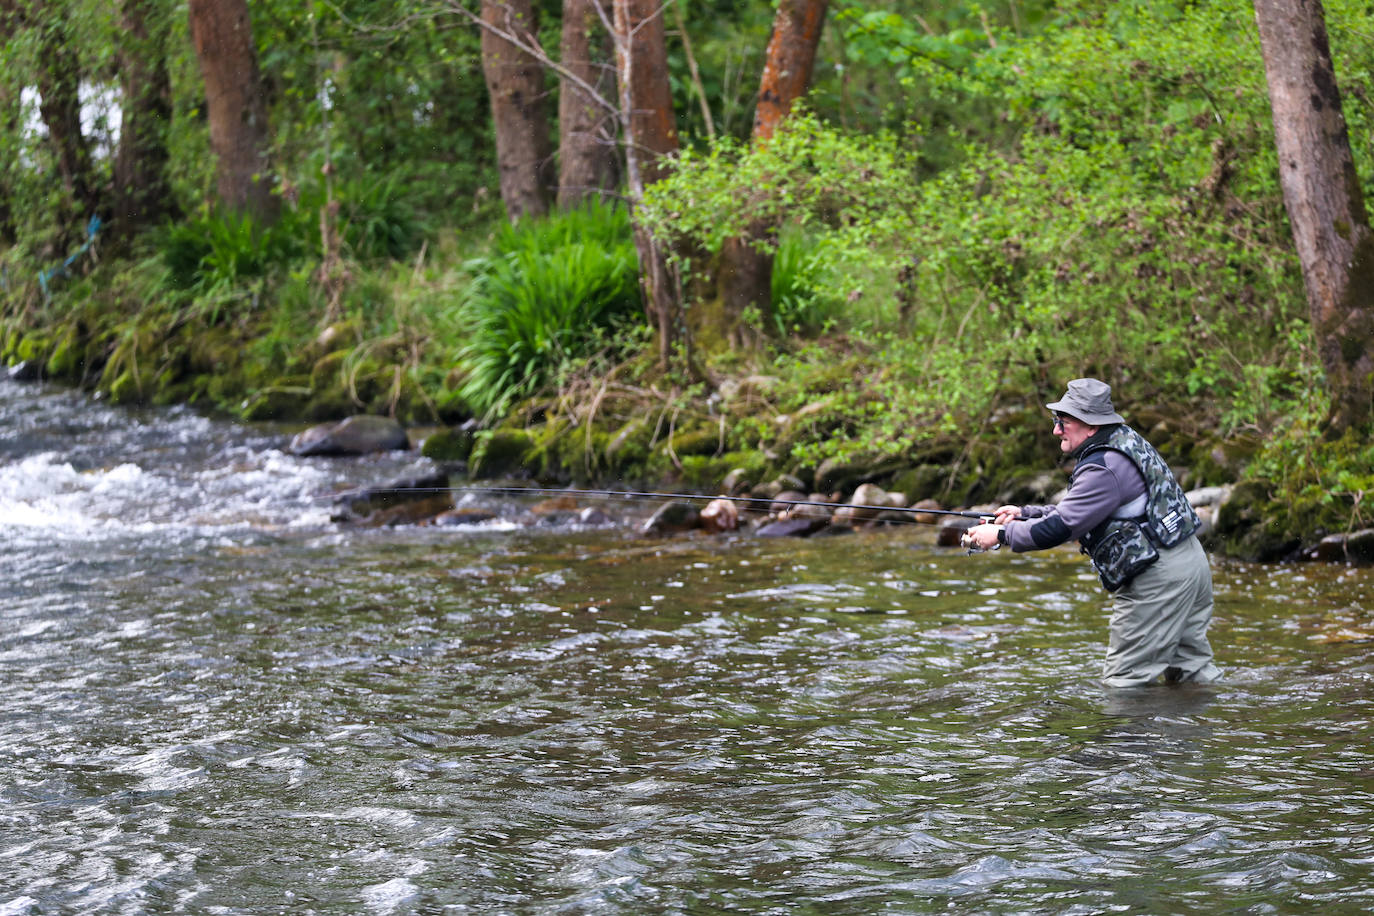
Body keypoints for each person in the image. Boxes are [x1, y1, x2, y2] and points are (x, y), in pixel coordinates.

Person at [965, 378, 1221, 687]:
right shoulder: (1124, 441)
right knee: (1193, 674)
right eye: (1056, 420)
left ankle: (1130, 737)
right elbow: (1083, 512)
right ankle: (1215, 730)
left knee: (1125, 684)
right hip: (1189, 562)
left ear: (1091, 426)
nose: (1056, 430)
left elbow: (1060, 528)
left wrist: (1001, 536)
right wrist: (1023, 514)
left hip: (1158, 577)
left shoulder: (1103, 467)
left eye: (1064, 422)